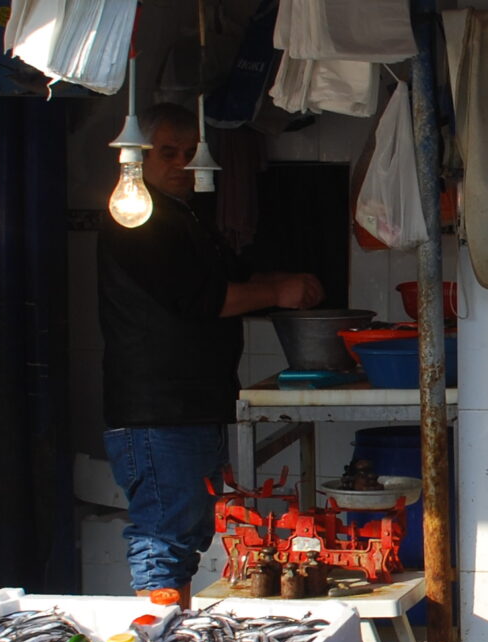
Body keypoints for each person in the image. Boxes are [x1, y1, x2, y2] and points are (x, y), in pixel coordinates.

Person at [98, 102, 322, 598]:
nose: (182, 164)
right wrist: (277, 292)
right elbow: (204, 298)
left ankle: (170, 633)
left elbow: (231, 279)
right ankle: (158, 639)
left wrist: (284, 281)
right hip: (157, 413)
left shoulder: (184, 216)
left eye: (189, 152)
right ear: (136, 157)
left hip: (191, 408)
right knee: (164, 540)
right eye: (167, 153)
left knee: (185, 537)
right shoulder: (137, 220)